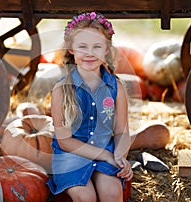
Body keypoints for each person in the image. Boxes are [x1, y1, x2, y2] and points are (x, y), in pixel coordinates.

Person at [47, 12, 133, 202]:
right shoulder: (61, 90)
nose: (89, 53)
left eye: (97, 47)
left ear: (106, 50)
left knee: (112, 194)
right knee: (85, 197)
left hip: (107, 150)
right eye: (82, 47)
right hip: (71, 154)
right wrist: (105, 155)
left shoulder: (116, 87)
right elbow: (65, 141)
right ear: (71, 49)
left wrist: (119, 156)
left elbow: (122, 131)